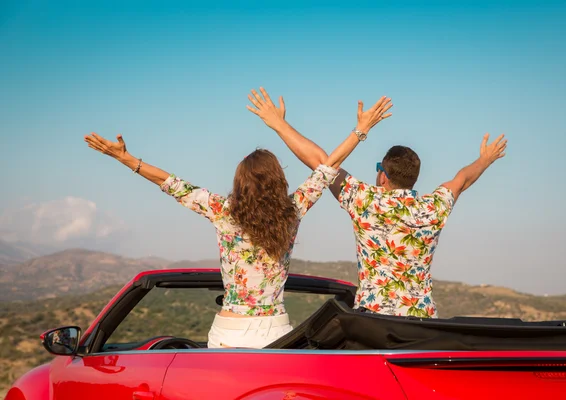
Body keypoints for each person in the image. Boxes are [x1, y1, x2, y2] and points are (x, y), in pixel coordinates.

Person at [83, 90, 392, 348]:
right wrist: (360, 130)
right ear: (279, 181)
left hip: (227, 334)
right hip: (276, 332)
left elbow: (172, 184)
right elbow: (328, 167)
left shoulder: (223, 211)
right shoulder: (292, 210)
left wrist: (126, 159)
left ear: (240, 181)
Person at [256, 89, 507, 318]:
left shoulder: (365, 200)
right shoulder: (434, 207)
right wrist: (485, 159)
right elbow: (462, 180)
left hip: (373, 321)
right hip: (423, 323)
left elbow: (322, 162)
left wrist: (279, 124)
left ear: (383, 175)